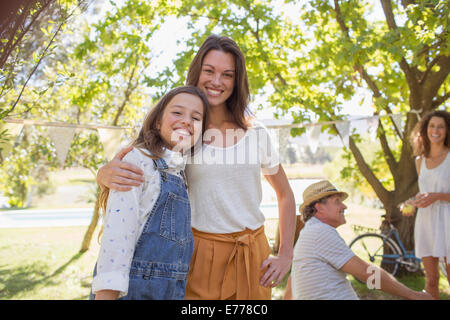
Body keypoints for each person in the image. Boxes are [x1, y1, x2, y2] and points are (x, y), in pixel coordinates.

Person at [96, 35, 296, 300]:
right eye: (209, 71)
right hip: (199, 253)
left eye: (227, 74)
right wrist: (104, 173)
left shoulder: (256, 132)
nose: (216, 81)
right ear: (197, 71)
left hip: (252, 253)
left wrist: (285, 255)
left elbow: (285, 194)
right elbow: (144, 159)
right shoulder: (184, 130)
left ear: (236, 81)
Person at [91, 86, 209, 300]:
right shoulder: (138, 161)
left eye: (196, 117)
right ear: (157, 122)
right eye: (177, 112)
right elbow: (117, 241)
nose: (186, 121)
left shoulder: (181, 172)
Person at [288, 180, 433, 300]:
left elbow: (291, 283)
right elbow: (367, 274)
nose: (344, 206)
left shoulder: (310, 232)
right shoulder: (320, 232)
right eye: (337, 201)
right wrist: (413, 295)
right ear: (319, 208)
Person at [408, 110, 450, 299]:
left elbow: (433, 193)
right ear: (425, 130)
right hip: (426, 221)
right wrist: (413, 202)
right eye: (432, 126)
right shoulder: (420, 161)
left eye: (440, 126)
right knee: (431, 279)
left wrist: (436, 196)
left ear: (447, 130)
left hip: (447, 220)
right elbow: (424, 191)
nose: (436, 130)